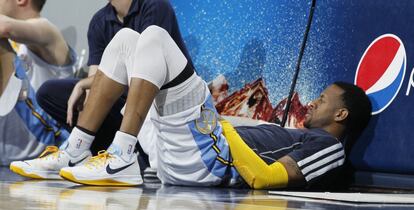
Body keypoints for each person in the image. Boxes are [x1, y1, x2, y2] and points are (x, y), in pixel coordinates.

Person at [10, 0, 193, 181]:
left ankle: (127, 154)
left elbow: (149, 70)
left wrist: (85, 83)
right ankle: (77, 151)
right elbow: (98, 80)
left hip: (160, 102)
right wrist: (84, 86)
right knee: (51, 92)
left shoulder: (155, 6)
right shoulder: (100, 20)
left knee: (130, 40)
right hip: (125, 102)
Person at [0, 0, 76, 166]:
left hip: (46, 142)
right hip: (14, 145)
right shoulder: (15, 42)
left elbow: (4, 27)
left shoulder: (47, 30)